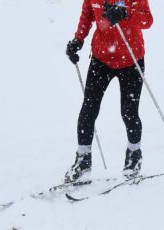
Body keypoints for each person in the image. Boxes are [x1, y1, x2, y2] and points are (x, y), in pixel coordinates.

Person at [64, 0, 153, 183]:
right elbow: (88, 14)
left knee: (129, 112)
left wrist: (126, 14)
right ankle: (83, 161)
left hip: (131, 59)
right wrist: (78, 40)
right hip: (101, 58)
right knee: (88, 110)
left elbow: (147, 20)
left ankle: (134, 157)